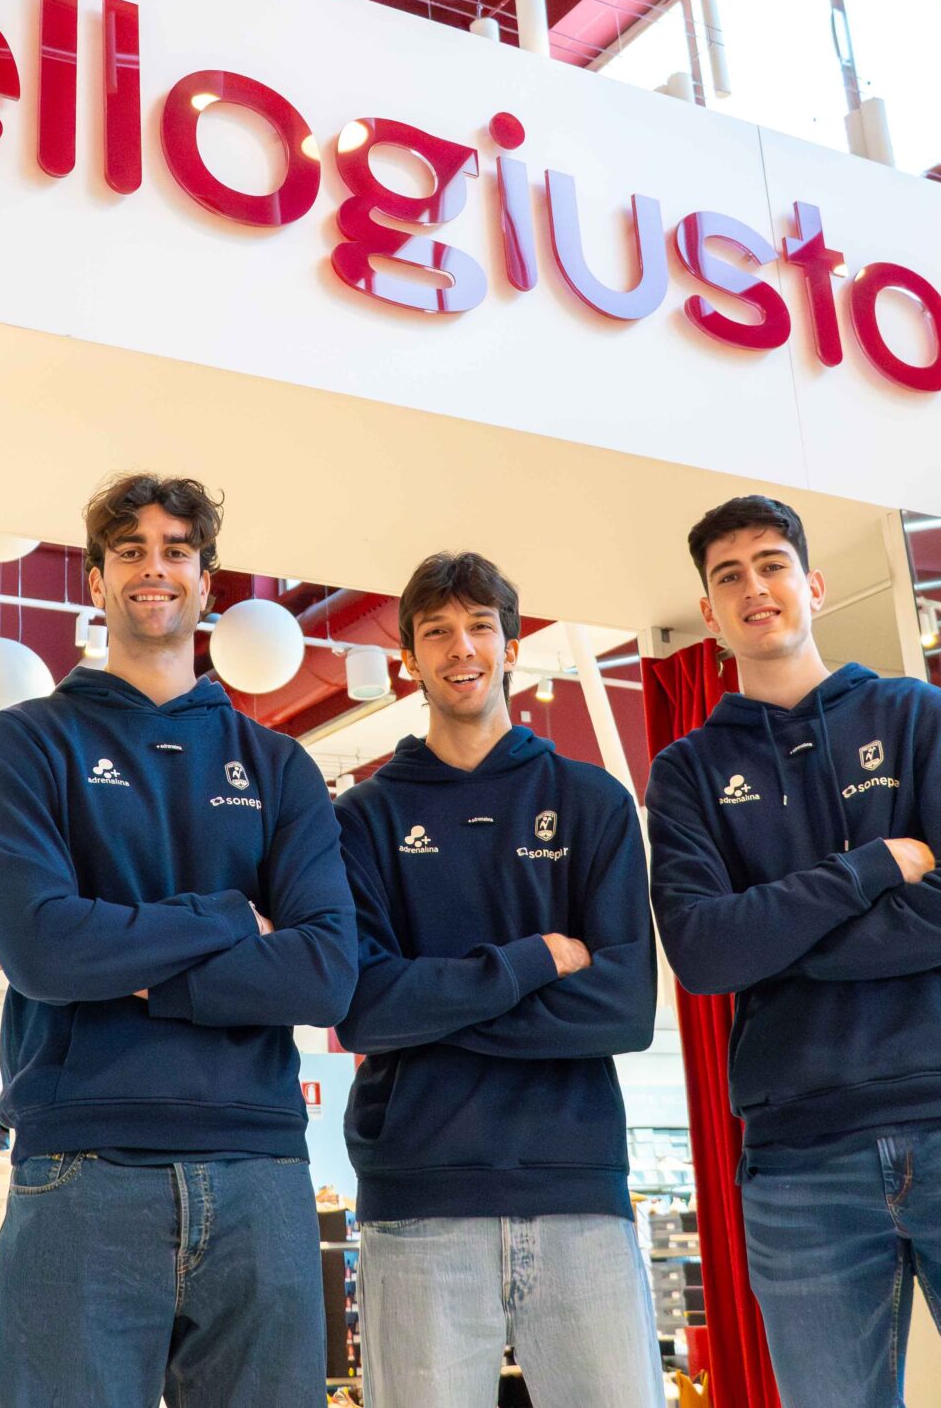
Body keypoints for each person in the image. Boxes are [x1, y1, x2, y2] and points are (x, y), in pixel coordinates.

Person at [644, 494, 941, 1408]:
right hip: (800, 1156)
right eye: (729, 576)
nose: (754, 587)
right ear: (710, 614)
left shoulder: (918, 715)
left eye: (771, 564)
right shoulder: (688, 772)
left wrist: (779, 938)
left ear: (812, 585)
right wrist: (872, 868)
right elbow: (706, 953)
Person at [0, 472, 358, 1408]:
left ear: (207, 580)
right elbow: (45, 950)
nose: (155, 568)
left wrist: (151, 977)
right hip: (82, 1166)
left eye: (176, 550)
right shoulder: (26, 743)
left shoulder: (279, 765)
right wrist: (229, 917)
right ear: (96, 581)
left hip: (261, 1171)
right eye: (131, 550)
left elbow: (326, 971)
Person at [334, 551, 662, 1408]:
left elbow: (625, 1007)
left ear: (512, 645)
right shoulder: (362, 818)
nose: (461, 647)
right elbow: (363, 1007)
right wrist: (534, 961)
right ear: (409, 656)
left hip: (578, 1192)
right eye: (437, 631)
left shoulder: (592, 802)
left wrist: (431, 1005)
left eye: (480, 626)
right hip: (418, 1200)